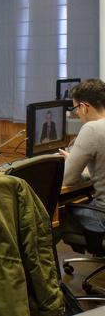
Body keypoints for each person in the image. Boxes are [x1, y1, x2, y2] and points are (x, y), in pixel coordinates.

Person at [60, 79, 105, 231]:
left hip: (102, 216)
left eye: (76, 108)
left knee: (56, 216)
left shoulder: (91, 129)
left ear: (84, 107)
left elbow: (67, 179)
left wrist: (71, 161)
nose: (77, 113)